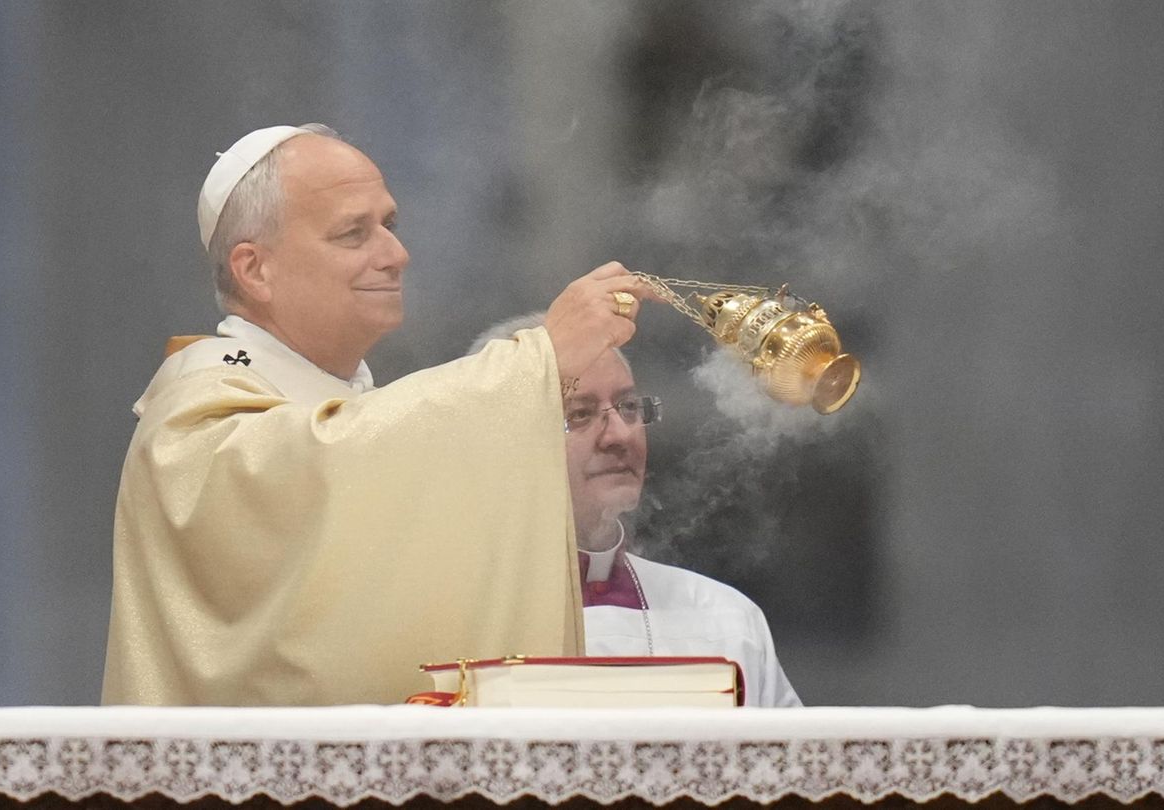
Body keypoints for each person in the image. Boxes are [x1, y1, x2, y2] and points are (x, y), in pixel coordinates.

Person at [102, 123, 652, 705]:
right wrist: (537, 361)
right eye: (352, 234)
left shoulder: (363, 411)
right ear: (254, 269)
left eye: (388, 225)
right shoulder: (196, 416)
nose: (396, 255)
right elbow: (312, 469)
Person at [470, 315, 802, 707]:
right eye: (579, 413)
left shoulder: (724, 619)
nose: (621, 435)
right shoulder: (449, 617)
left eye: (628, 407)